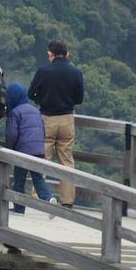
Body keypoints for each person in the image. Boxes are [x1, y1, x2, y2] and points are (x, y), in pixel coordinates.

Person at [27, 40, 84, 209]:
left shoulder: (44, 71)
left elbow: (31, 93)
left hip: (47, 118)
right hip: (67, 118)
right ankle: (67, 201)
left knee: (43, 158)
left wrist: (42, 99)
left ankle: (40, 197)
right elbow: (79, 99)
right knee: (66, 160)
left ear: (49, 53)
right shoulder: (76, 72)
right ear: (67, 54)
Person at [4, 82, 56, 213]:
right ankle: (49, 199)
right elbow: (43, 130)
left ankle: (19, 207)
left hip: (23, 151)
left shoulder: (15, 112)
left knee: (18, 180)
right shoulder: (35, 110)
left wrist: (10, 150)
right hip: (38, 149)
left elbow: (12, 134)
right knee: (38, 178)